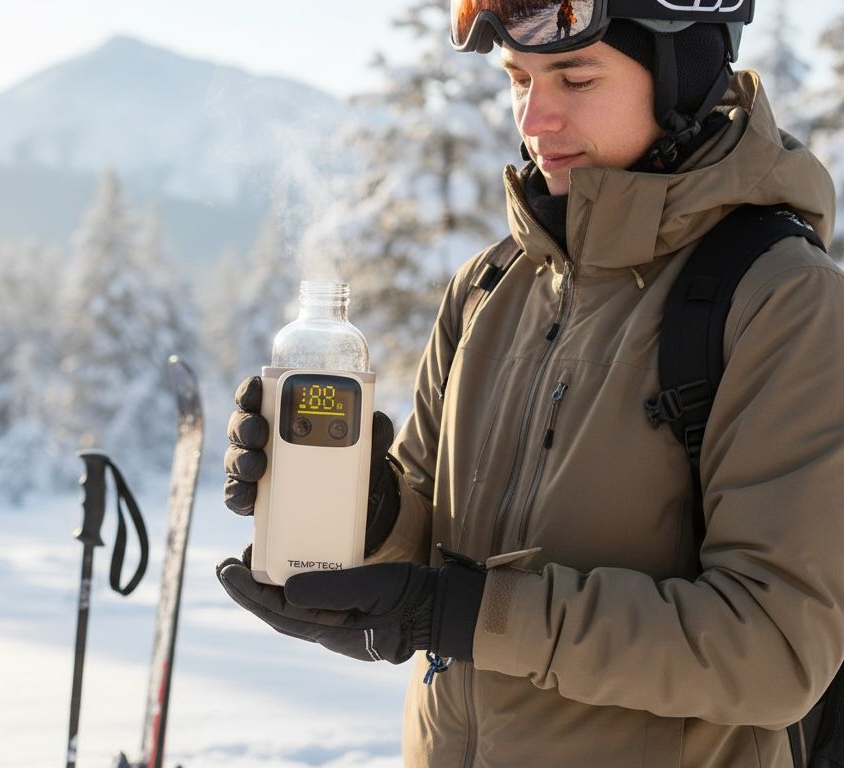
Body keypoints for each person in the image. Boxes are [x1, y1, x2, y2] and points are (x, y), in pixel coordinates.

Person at [218, 2, 844, 766]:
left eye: (576, 78)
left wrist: (467, 615)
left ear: (682, 74)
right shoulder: (490, 288)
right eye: (518, 80)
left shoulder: (782, 301)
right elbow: (427, 546)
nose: (535, 118)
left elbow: (774, 650)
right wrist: (369, 514)